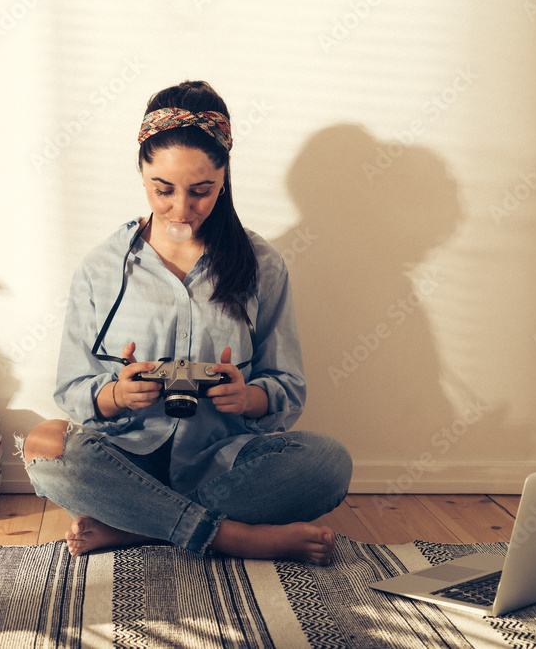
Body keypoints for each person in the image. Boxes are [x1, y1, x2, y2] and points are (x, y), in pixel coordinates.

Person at [19, 80, 352, 564]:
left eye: (201, 192)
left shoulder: (262, 265)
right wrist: (116, 394)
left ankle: (137, 525)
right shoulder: (102, 266)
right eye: (163, 190)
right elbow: (73, 388)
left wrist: (248, 397)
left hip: (223, 464)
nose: (181, 209)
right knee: (43, 444)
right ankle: (234, 538)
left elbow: (288, 388)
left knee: (329, 462)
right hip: (127, 458)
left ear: (224, 178)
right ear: (142, 173)